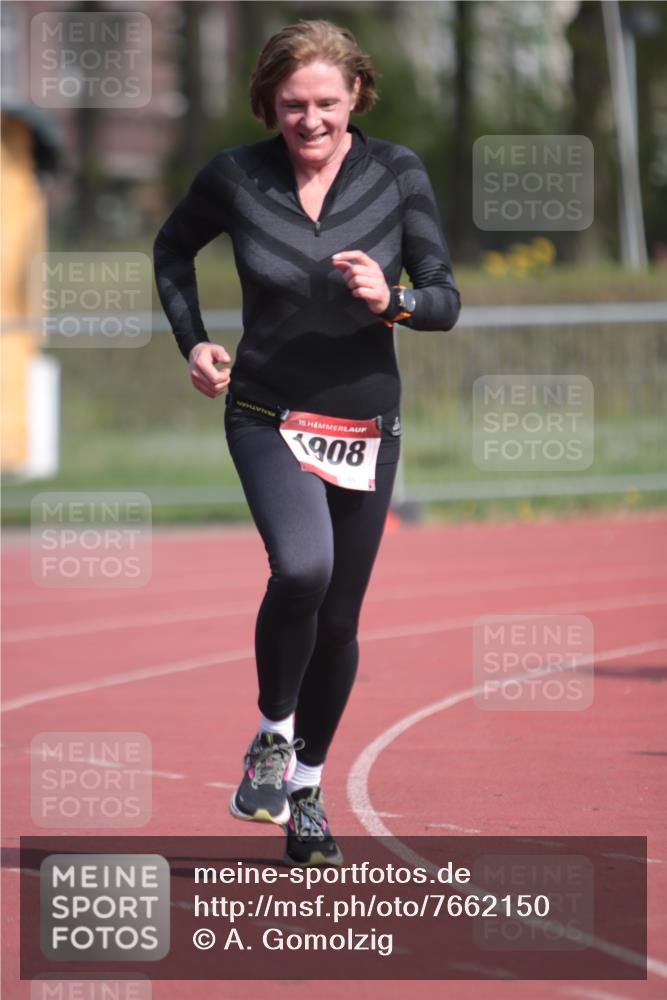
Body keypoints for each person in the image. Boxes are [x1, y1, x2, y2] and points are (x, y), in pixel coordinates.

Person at [154, 19, 460, 866]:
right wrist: (195, 342)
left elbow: (443, 296)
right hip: (266, 413)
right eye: (293, 105)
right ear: (269, 103)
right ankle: (271, 735)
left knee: (339, 619)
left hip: (364, 426)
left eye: (326, 102)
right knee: (302, 568)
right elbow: (172, 250)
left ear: (356, 94)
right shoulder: (236, 177)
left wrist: (390, 300)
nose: (311, 120)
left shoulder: (395, 173)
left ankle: (308, 791)